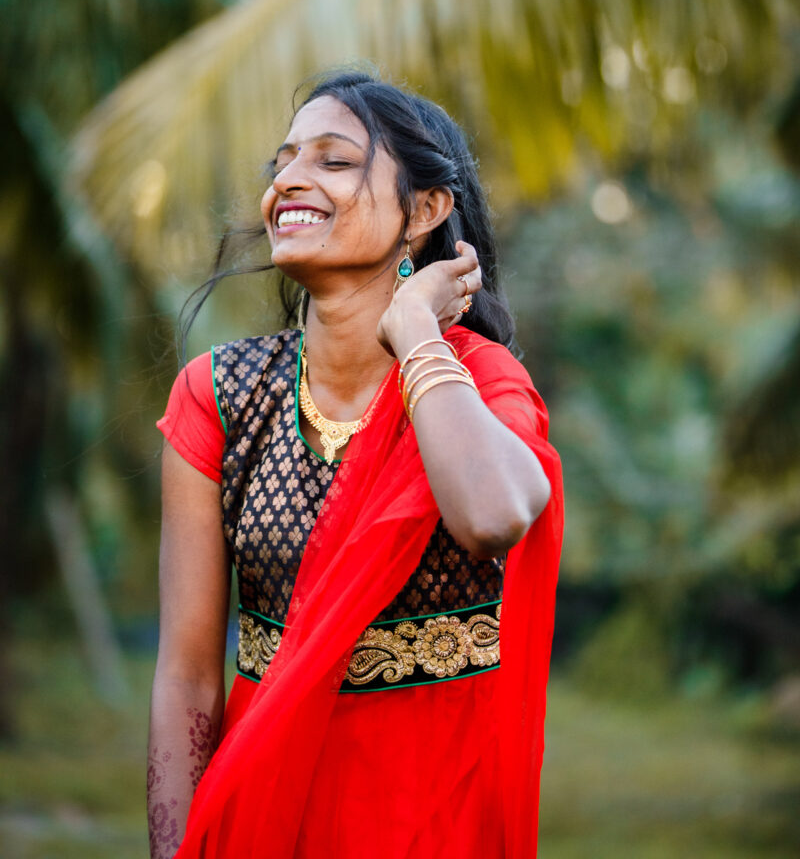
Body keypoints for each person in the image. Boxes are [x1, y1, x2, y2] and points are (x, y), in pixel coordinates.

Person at [147, 70, 564, 859]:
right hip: (264, 812)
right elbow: (187, 677)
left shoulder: (476, 381)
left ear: (426, 210)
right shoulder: (220, 395)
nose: (289, 180)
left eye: (333, 161)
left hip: (432, 820)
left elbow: (493, 514)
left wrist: (415, 331)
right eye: (284, 161)